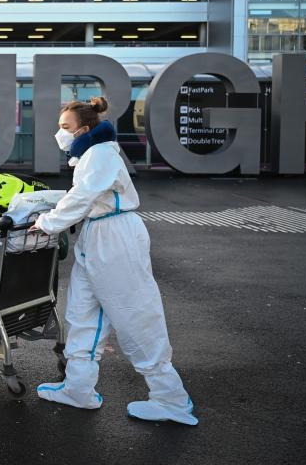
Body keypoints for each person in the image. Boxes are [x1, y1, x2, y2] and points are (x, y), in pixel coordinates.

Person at [30, 96, 198, 426]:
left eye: (65, 127)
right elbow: (85, 198)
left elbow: (84, 196)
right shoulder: (90, 154)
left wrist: (48, 222)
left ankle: (170, 399)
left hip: (114, 237)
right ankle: (79, 388)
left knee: (136, 315)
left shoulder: (100, 152)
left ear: (85, 128)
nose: (60, 133)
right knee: (83, 313)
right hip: (97, 236)